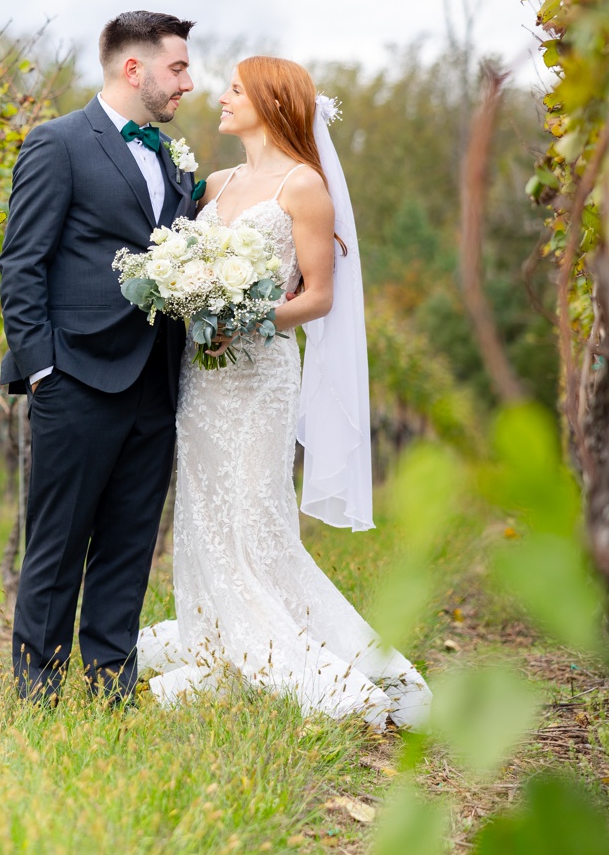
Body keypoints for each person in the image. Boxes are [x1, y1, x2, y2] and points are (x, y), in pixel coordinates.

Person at [136, 57, 432, 726]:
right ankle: (217, 642)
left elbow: (320, 297)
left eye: (234, 90)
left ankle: (282, 654)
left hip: (260, 373)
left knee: (255, 515)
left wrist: (246, 316)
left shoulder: (305, 188)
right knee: (206, 512)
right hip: (201, 379)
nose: (220, 98)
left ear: (270, 102)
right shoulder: (213, 185)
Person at [0, 11, 200, 700]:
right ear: (133, 69)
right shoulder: (57, 144)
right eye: (178, 68)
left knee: (130, 541)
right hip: (77, 374)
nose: (190, 84)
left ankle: (112, 683)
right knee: (58, 542)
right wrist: (42, 368)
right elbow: (22, 262)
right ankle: (39, 690)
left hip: (157, 379)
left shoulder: (174, 159)